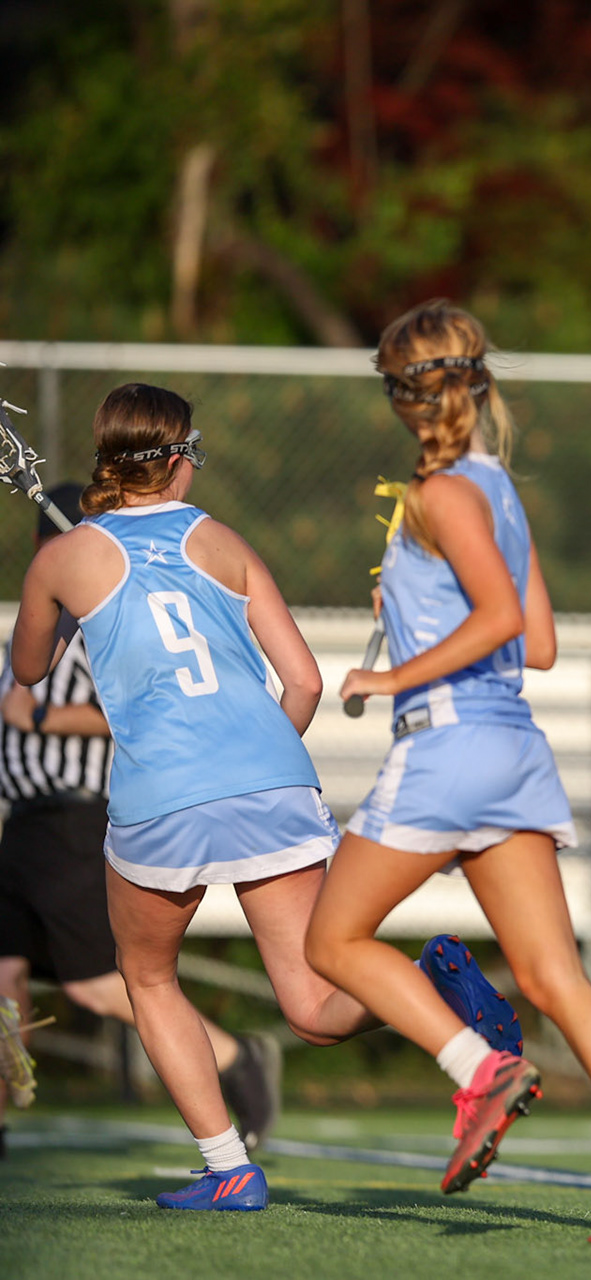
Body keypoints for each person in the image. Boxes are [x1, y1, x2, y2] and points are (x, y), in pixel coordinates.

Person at [304, 300, 591, 1245]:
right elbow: (544, 639)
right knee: (554, 975)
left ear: (406, 396)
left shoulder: (439, 496)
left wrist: (391, 669)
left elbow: (501, 624)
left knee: (332, 943)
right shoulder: (497, 490)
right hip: (514, 748)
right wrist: (413, 604)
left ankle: (476, 1070)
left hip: (447, 746)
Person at [10, 385, 385, 1209]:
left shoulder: (63, 558)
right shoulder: (220, 538)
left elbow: (28, 671)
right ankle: (433, 991)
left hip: (164, 799)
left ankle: (230, 1169)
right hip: (274, 777)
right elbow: (306, 681)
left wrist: (70, 598)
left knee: (146, 978)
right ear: (177, 461)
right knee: (316, 1005)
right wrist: (255, 758)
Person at [0, 484, 281, 1160]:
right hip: (22, 826)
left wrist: (43, 717)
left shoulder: (105, 617)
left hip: (74, 818)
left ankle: (234, 1057)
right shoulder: (46, 612)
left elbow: (140, 708)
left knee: (100, 984)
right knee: (3, 975)